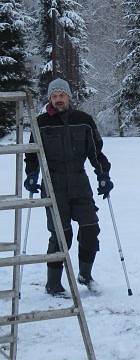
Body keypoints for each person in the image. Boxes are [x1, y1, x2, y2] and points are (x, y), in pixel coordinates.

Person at [23, 78, 113, 295]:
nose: (58, 100)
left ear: (69, 97)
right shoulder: (41, 123)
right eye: (54, 96)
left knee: (91, 227)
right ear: (50, 99)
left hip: (79, 182)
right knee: (61, 234)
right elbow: (32, 155)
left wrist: (103, 174)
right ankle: (53, 284)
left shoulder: (83, 120)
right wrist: (32, 175)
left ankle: (85, 274)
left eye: (62, 95)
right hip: (53, 184)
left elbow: (95, 152)